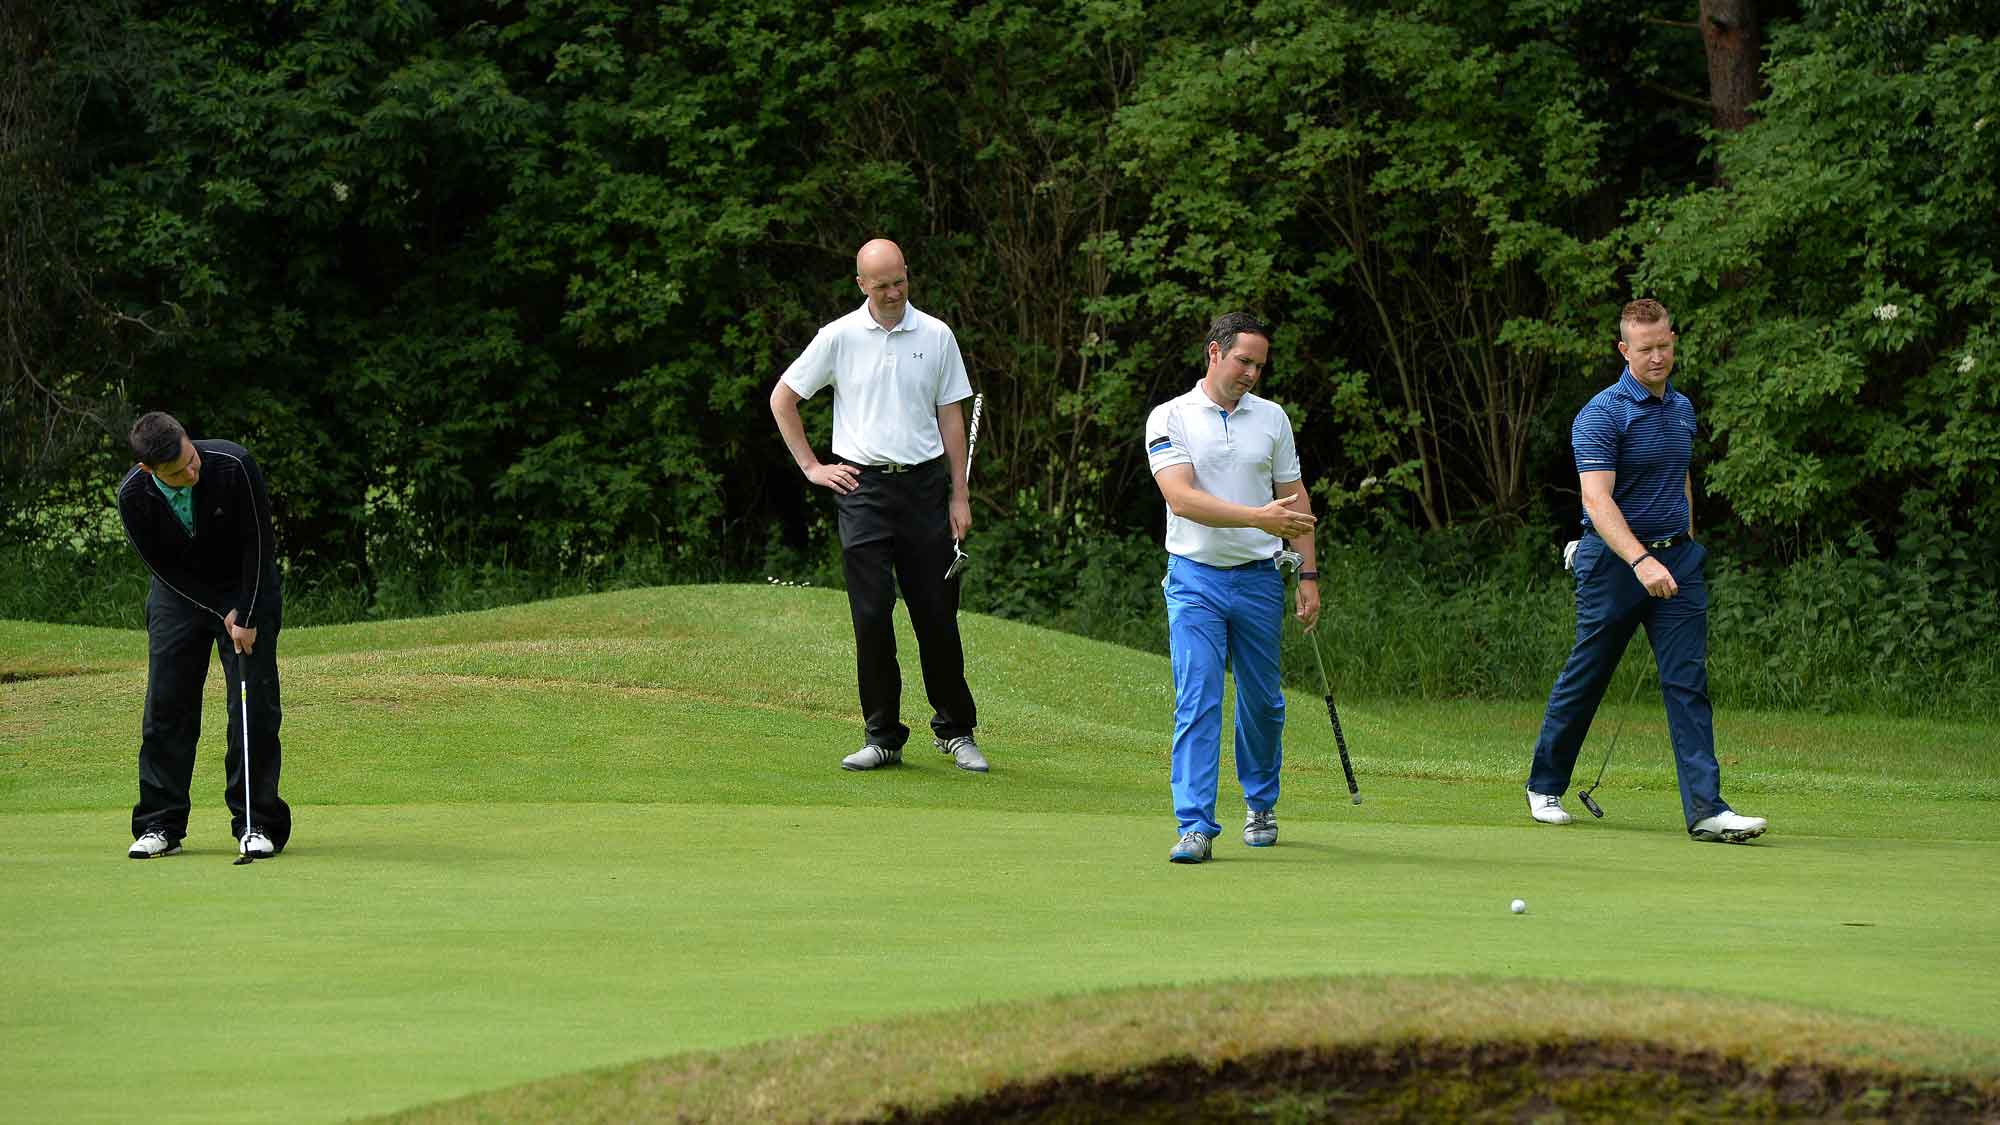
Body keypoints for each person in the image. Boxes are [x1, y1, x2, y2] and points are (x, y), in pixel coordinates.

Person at [1525, 299, 1767, 843]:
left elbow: (1678, 481)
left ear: (1673, 341)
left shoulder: (1681, 409)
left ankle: (1707, 810)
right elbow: (1597, 499)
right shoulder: (1602, 413)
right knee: (1589, 675)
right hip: (1615, 564)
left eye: (1664, 345)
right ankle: (1544, 785)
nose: (1657, 356)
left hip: (1677, 560)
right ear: (1624, 350)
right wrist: (1641, 559)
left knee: (1688, 683)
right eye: (1645, 348)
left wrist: (1684, 544)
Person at [769, 238, 985, 773]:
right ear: (861, 283)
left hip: (924, 489)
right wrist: (813, 468)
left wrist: (959, 493)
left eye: (899, 281)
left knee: (936, 615)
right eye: (881, 284)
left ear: (907, 275)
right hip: (861, 490)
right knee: (870, 616)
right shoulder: (839, 337)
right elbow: (783, 399)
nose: (893, 292)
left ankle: (955, 730)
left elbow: (951, 417)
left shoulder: (936, 335)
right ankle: (883, 735)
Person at [1145, 312, 1319, 864]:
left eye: (1260, 366)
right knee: (1198, 699)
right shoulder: (1169, 416)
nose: (1251, 373)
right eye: (1244, 360)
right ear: (1215, 353)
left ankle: (1260, 803)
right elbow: (1182, 499)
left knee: (1264, 704)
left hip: (1260, 580)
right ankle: (1195, 824)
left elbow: (1295, 501)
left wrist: (1308, 574)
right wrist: (1257, 519)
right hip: (1194, 578)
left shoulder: (1272, 419)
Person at [116, 411, 292, 860]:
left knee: (252, 705)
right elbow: (164, 568)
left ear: (189, 440)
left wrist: (246, 614)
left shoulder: (233, 464)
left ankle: (256, 822)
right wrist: (222, 611)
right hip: (180, 595)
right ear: (148, 470)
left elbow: (259, 543)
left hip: (246, 586)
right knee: (166, 703)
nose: (192, 471)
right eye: (178, 472)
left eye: (191, 458)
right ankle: (160, 823)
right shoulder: (133, 495)